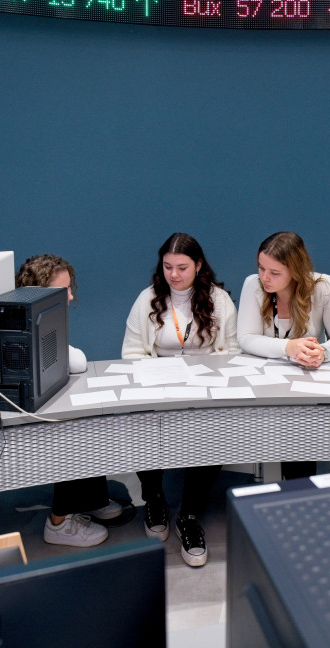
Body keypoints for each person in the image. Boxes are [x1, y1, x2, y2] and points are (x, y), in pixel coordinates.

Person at [0, 254, 121, 548]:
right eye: (64, 290)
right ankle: (59, 523)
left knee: (86, 417)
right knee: (73, 431)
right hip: (1, 423)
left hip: (23, 411)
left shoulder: (43, 327)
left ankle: (88, 502)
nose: (71, 296)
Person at [122, 233, 239, 566]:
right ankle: (154, 499)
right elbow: (131, 352)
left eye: (182, 267)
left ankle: (189, 514)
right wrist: (160, 375)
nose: (173, 275)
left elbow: (233, 352)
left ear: (198, 265)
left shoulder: (219, 300)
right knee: (141, 422)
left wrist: (204, 376)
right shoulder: (147, 299)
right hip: (158, 386)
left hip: (205, 389)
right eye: (168, 266)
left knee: (212, 430)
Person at [236, 231, 330, 480]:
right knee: (295, 427)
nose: (264, 278)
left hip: (312, 380)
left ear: (295, 271)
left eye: (274, 273)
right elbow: (246, 338)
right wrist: (288, 348)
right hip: (271, 384)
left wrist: (323, 352)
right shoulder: (253, 285)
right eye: (261, 268)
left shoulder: (323, 286)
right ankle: (301, 493)